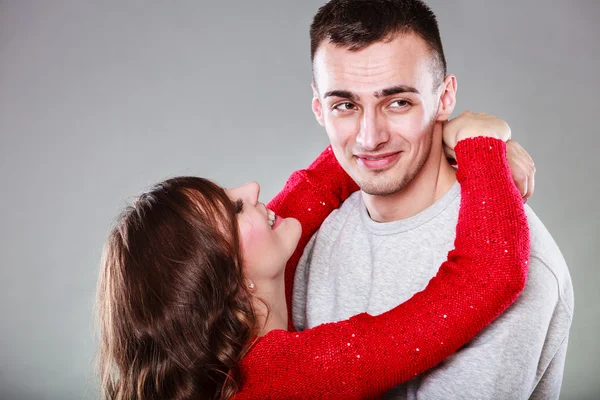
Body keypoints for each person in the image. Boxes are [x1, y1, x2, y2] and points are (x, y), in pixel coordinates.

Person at [96, 118, 529, 399]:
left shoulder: (250, 315)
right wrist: (479, 142)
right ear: (225, 280)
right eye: (234, 209)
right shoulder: (291, 378)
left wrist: (428, 127)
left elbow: (320, 182)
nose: (251, 188)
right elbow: (492, 272)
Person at [293, 1, 574, 399]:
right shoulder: (313, 238)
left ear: (444, 99)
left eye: (398, 102)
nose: (370, 137)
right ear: (320, 108)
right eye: (346, 105)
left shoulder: (518, 259)